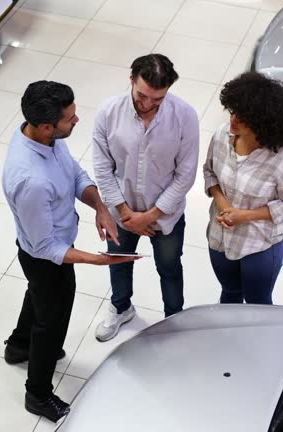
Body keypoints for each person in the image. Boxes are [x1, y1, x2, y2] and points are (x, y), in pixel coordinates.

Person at [2, 80, 138, 422]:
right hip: (43, 256)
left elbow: (75, 175)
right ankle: (38, 393)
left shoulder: (45, 138)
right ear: (47, 126)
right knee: (52, 320)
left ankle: (19, 346)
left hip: (50, 245)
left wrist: (100, 208)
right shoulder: (30, 179)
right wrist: (99, 259)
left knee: (38, 295)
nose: (76, 121)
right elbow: (46, 247)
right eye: (70, 119)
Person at [92, 53, 199, 341]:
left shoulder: (185, 116)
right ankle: (121, 308)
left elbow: (185, 175)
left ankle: (173, 321)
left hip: (164, 217)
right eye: (142, 95)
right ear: (131, 79)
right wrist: (126, 214)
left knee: (169, 267)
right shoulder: (108, 112)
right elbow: (103, 168)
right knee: (119, 261)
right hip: (120, 210)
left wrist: (149, 216)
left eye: (158, 99)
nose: (148, 104)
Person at [203, 71, 283, 305]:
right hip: (219, 238)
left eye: (243, 117)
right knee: (229, 293)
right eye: (233, 111)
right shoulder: (222, 135)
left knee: (258, 303)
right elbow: (209, 172)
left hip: (259, 245)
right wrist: (224, 205)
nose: (234, 120)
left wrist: (244, 216)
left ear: (262, 123)